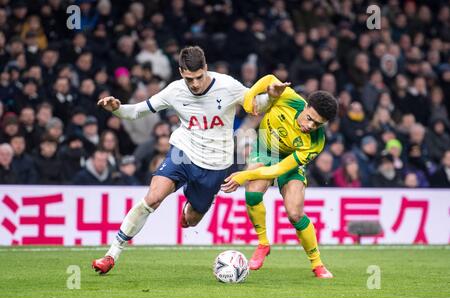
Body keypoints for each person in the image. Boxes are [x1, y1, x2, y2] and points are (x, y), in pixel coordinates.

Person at [92, 46, 271, 274]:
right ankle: (111, 254)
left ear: (206, 68)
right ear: (180, 72)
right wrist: (117, 109)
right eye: (189, 78)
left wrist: (271, 95)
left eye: (198, 77)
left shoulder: (227, 85)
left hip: (216, 164)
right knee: (153, 198)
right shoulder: (175, 91)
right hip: (182, 152)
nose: (194, 84)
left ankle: (189, 206)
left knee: (192, 219)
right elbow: (137, 111)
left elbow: (256, 104)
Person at [221, 74, 338, 278]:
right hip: (265, 149)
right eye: (310, 118)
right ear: (305, 106)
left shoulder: (316, 142)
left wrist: (244, 175)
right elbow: (268, 79)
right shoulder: (290, 98)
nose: (310, 126)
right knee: (253, 193)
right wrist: (250, 98)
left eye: (317, 124)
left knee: (295, 214)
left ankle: (317, 263)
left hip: (288, 163)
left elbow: (278, 170)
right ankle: (263, 243)